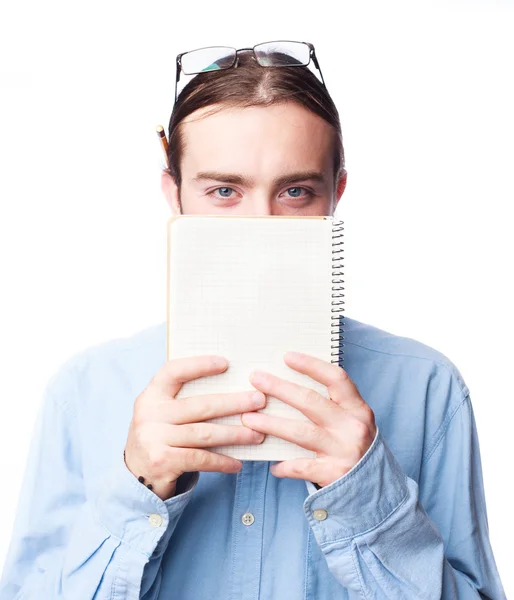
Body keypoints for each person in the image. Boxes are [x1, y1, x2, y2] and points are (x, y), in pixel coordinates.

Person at [0, 41, 506, 599]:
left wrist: (366, 498)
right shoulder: (84, 391)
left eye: (295, 191)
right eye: (224, 191)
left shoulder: (427, 388)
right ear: (175, 193)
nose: (260, 225)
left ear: (335, 194)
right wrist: (137, 488)